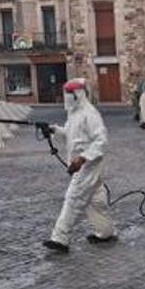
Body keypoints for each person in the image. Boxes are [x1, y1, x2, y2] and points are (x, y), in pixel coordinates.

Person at [43, 79, 117, 253]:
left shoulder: (90, 114)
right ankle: (105, 232)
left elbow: (101, 141)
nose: (66, 97)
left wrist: (82, 159)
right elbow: (71, 136)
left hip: (90, 165)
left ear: (78, 94)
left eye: (69, 94)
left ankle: (60, 238)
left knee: (73, 198)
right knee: (96, 200)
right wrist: (53, 130)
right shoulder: (74, 113)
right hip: (83, 164)